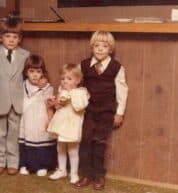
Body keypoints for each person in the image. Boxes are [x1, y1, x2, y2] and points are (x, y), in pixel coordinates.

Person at [74, 31, 128, 190]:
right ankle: (86, 175)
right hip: (89, 111)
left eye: (104, 46)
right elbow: (74, 83)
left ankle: (98, 176)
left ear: (110, 49)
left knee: (99, 143)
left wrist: (120, 112)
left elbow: (122, 90)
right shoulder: (83, 65)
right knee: (85, 141)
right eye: (96, 46)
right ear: (92, 47)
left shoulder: (116, 67)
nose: (100, 49)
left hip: (106, 111)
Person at [0, 18, 30, 175]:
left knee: (14, 133)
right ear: (0, 37)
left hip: (17, 101)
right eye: (8, 36)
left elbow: (28, 77)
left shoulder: (25, 55)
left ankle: (13, 162)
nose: (11, 40)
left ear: (20, 39)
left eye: (15, 37)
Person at [47, 63, 90, 184]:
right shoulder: (61, 90)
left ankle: (74, 173)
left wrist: (70, 97)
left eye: (69, 79)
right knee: (60, 148)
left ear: (77, 80)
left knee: (73, 150)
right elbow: (59, 107)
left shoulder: (81, 92)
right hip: (61, 124)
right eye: (63, 78)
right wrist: (55, 102)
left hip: (72, 126)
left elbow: (80, 107)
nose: (65, 81)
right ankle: (61, 170)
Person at [18, 54, 57, 177]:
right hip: (27, 119)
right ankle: (25, 165)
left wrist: (49, 119)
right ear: (26, 72)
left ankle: (42, 165)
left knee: (42, 141)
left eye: (38, 71)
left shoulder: (47, 88)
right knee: (26, 141)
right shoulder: (23, 85)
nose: (35, 75)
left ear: (43, 73)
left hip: (41, 119)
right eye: (31, 71)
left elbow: (49, 106)